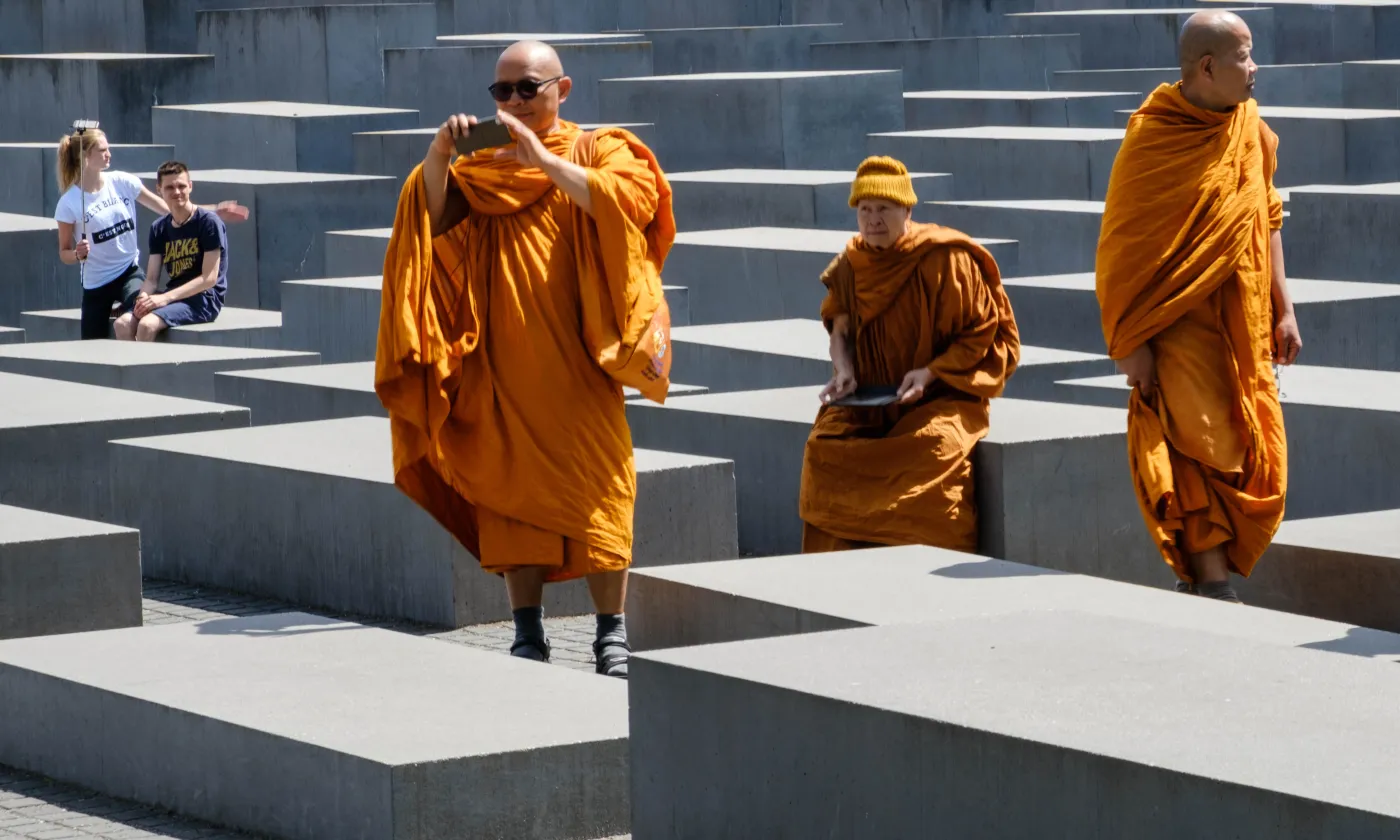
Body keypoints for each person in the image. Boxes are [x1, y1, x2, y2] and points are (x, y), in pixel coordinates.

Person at [375, 40, 673, 678]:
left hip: (580, 366)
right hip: (500, 365)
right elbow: (430, 219)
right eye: (501, 91)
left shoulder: (598, 149)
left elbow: (630, 203)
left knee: (601, 491)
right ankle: (527, 632)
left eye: (527, 88)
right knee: (511, 500)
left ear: (562, 89)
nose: (513, 101)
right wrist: (438, 156)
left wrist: (544, 160)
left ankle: (611, 633)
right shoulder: (484, 167)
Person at [1095, 10, 1301, 603]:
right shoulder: (1153, 136)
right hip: (1177, 323)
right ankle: (1211, 580)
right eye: (1244, 56)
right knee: (1195, 442)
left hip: (1243, 317)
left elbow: (1266, 216)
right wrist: (1130, 343)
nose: (1255, 67)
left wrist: (1284, 307)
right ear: (1207, 67)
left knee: (1247, 441)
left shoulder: (1250, 129)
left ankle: (1208, 578)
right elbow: (1122, 247)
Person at [798, 156, 1021, 554]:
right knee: (824, 448)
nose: (873, 220)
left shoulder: (945, 259)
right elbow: (840, 328)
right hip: (870, 400)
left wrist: (930, 373)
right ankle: (839, 569)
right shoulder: (850, 264)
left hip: (939, 397)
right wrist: (844, 370)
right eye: (865, 210)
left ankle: (923, 570)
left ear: (907, 211)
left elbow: (981, 332)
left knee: (935, 448)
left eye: (884, 209)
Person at [52, 127, 246, 340]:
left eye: (108, 149)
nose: (109, 154)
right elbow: (64, 253)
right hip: (96, 282)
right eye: (102, 150)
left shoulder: (122, 182)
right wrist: (77, 254)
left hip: (128, 272)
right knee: (92, 343)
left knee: (134, 318)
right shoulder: (69, 203)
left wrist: (214, 210)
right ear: (85, 155)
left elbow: (168, 208)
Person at [115, 162, 228, 341]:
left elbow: (209, 278)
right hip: (172, 296)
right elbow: (151, 279)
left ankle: (146, 360)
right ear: (159, 190)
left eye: (181, 186)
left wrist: (165, 299)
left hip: (204, 298)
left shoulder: (208, 222)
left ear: (190, 186)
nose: (177, 192)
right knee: (122, 324)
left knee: (147, 325)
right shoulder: (159, 228)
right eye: (169, 187)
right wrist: (142, 298)